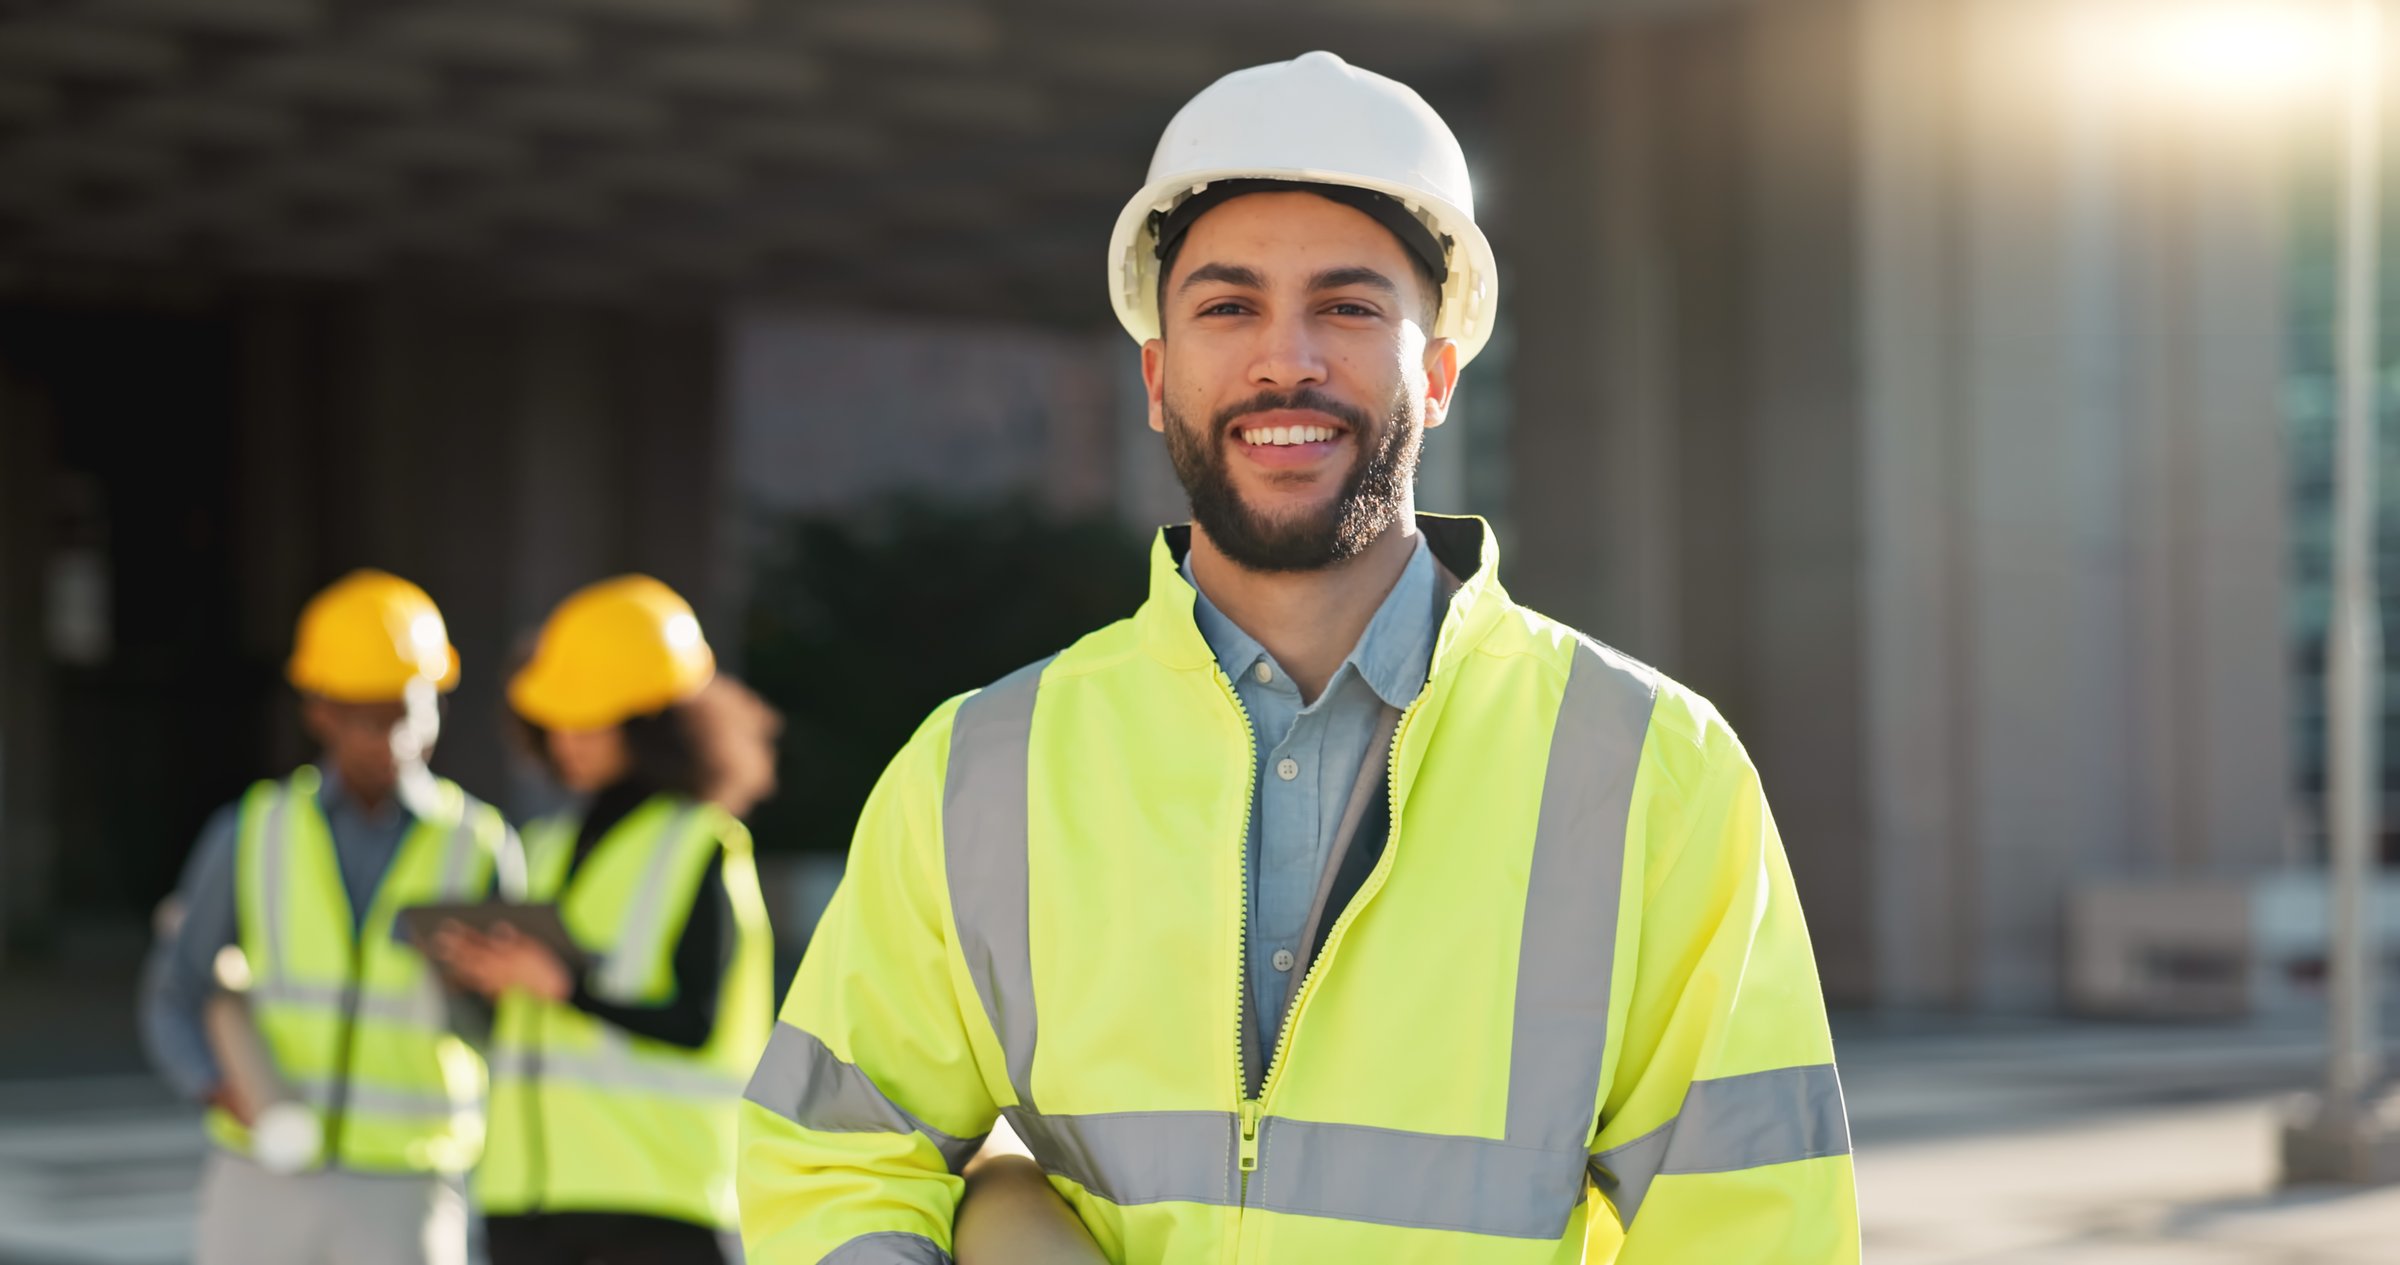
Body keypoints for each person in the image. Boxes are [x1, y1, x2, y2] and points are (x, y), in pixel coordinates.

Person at [737, 50, 1858, 1265]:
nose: (1287, 360)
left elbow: (1753, 1227)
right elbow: (835, 1151)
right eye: (1227, 306)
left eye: (1349, 305)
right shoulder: (975, 771)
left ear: (1436, 373)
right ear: (1159, 380)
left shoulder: (1654, 768)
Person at [139, 570, 516, 1265]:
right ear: (321, 710)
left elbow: (509, 1030)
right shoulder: (252, 831)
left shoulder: (480, 844)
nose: (393, 739)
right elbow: (178, 990)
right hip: (263, 1170)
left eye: (409, 711)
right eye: (369, 716)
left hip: (408, 1177)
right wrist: (218, 1086)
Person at [431, 575, 777, 1265]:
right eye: (558, 718)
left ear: (655, 723)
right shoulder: (545, 847)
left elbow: (697, 1022)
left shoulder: (701, 845)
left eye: (591, 719)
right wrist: (485, 979)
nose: (568, 739)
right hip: (525, 1199)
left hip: (657, 1202)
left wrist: (563, 985)